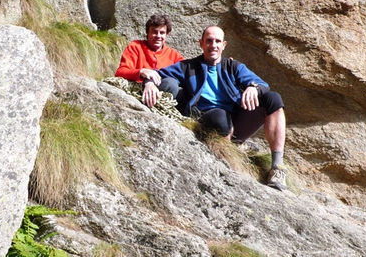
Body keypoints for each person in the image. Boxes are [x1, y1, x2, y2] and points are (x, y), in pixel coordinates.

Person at [143, 26, 288, 190]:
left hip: (235, 121)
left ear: (224, 45)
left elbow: (262, 84)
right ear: (201, 44)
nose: (213, 45)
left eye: (218, 41)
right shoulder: (188, 67)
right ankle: (232, 151)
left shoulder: (233, 67)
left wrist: (253, 87)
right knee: (219, 116)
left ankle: (277, 167)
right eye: (209, 41)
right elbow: (158, 75)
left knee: (273, 99)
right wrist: (148, 83)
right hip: (207, 119)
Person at [115, 14, 183, 106]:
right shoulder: (135, 46)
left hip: (162, 92)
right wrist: (141, 72)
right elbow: (120, 72)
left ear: (167, 34)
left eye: (162, 33)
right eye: (154, 32)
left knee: (172, 84)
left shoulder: (175, 56)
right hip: (137, 90)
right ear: (148, 33)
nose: (158, 36)